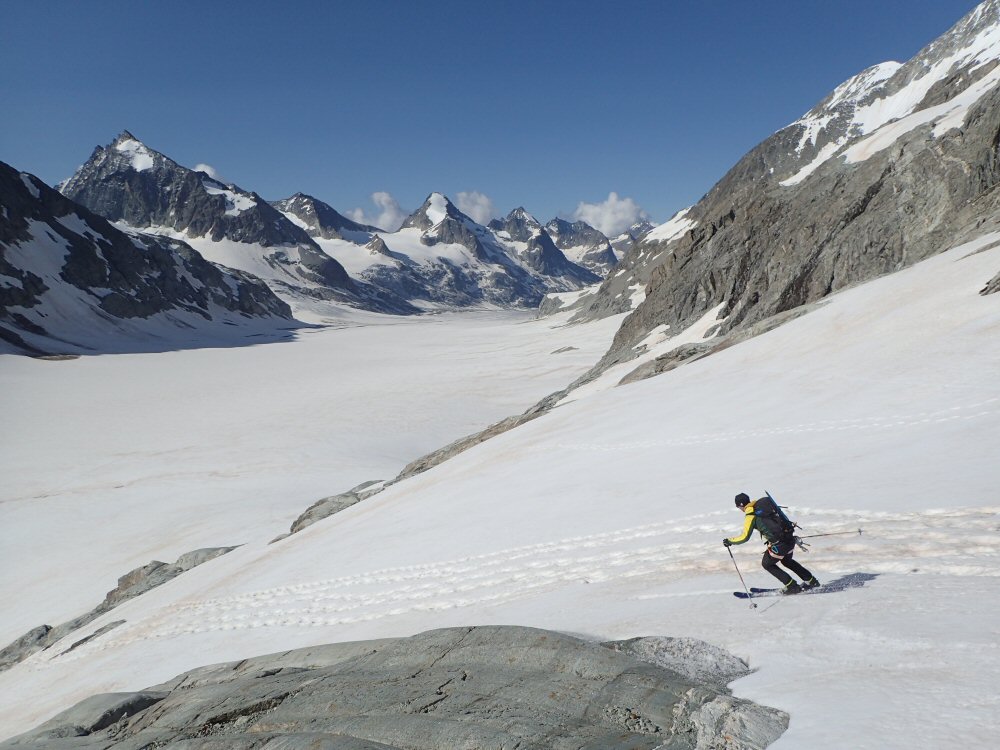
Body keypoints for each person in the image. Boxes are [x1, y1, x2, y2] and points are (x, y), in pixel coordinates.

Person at [723, 492, 820, 594]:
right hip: (790, 539)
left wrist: (730, 541)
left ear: (741, 505)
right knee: (787, 561)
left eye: (738, 507)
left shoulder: (750, 515)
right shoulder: (762, 507)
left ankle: (792, 586)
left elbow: (744, 537)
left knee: (767, 564)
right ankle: (812, 581)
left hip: (780, 544)